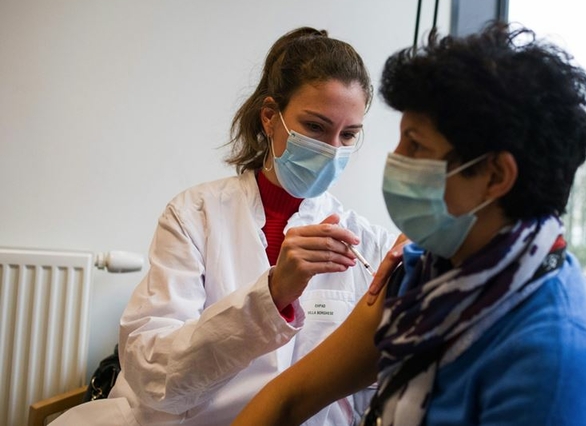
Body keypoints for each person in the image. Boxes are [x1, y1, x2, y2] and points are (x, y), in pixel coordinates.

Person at [234, 21, 586, 426]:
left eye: (416, 145)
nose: (396, 157)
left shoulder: (555, 361)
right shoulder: (423, 273)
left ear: (494, 176)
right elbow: (290, 398)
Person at [50, 27, 397, 426]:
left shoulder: (368, 244)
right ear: (271, 117)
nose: (331, 150)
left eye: (348, 134)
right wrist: (273, 294)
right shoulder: (194, 215)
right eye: (316, 128)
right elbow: (152, 372)